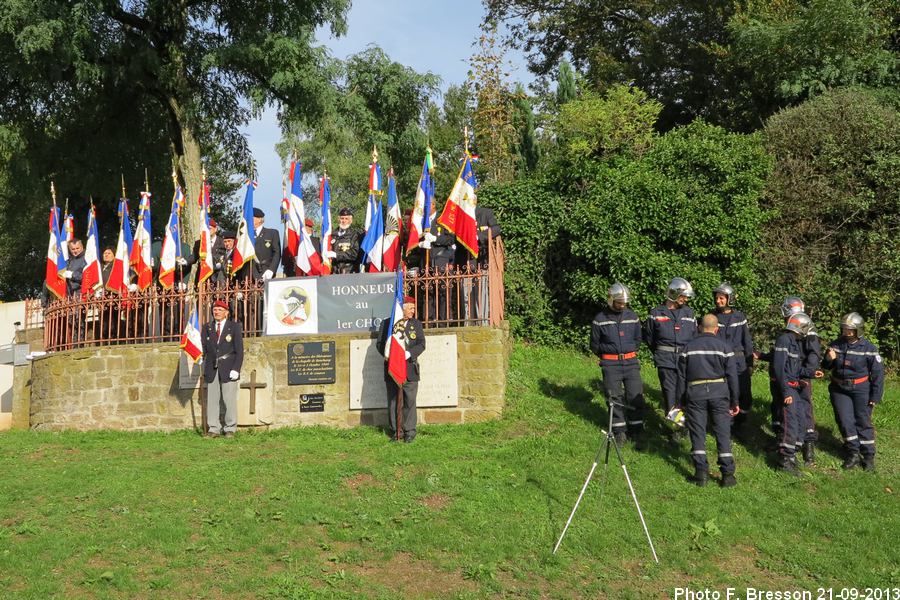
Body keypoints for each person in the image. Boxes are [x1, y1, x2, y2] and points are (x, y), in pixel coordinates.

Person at [676, 314, 740, 487]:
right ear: (717, 329)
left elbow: (681, 377)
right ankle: (727, 475)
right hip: (720, 394)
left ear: (699, 327)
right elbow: (732, 377)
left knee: (698, 433)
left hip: (695, 394)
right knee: (722, 433)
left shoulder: (688, 348)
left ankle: (701, 474)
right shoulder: (725, 347)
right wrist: (735, 401)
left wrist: (680, 402)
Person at [822, 312, 883, 471]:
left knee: (862, 421)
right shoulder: (836, 345)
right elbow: (826, 366)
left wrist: (875, 396)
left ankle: (868, 456)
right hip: (839, 389)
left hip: (861, 390)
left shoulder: (869, 349)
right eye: (844, 328)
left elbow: (877, 373)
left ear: (858, 330)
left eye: (849, 329)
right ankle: (853, 453)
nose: (846, 331)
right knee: (844, 420)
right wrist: (828, 358)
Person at [590, 283, 645, 447]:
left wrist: (628, 351)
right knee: (614, 397)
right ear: (611, 300)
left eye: (624, 303)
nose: (622, 306)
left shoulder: (633, 317)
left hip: (631, 362)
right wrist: (609, 355)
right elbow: (594, 345)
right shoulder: (600, 319)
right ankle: (619, 431)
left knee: (635, 394)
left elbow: (638, 340)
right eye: (619, 303)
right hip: (610, 364)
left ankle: (637, 429)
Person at [644, 277, 697, 436]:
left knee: (686, 393)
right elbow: (650, 338)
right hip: (665, 360)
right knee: (670, 394)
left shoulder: (689, 313)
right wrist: (662, 352)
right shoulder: (656, 313)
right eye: (683, 296)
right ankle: (676, 427)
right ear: (673, 293)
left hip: (685, 360)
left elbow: (694, 336)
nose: (685, 299)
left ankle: (686, 425)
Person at [376, 296, 426, 443]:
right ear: (402, 308)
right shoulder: (387, 324)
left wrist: (408, 353)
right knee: (393, 401)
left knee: (410, 400)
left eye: (414, 308)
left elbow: (422, 344)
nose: (413, 311)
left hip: (410, 368)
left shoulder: (416, 324)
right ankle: (396, 431)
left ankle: (409, 431)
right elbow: (380, 344)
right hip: (393, 368)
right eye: (410, 308)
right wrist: (392, 356)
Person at [770, 312, 812, 476]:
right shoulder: (784, 340)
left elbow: (794, 369)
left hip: (795, 388)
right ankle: (784, 460)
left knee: (801, 422)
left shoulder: (795, 342)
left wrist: (810, 373)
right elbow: (779, 368)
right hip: (787, 389)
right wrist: (786, 391)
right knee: (790, 424)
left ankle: (792, 455)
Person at [712, 284, 754, 428]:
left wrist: (749, 363)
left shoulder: (739, 317)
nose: (718, 301)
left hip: (739, 361)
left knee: (744, 392)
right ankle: (726, 424)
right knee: (726, 392)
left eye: (721, 298)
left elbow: (747, 341)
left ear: (729, 299)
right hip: (721, 361)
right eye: (717, 298)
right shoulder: (712, 317)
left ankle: (741, 423)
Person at [202, 300, 243, 438]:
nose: (217, 312)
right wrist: (199, 356)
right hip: (212, 367)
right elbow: (204, 347)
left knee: (229, 399)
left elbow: (239, 350)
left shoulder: (234, 327)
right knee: (212, 399)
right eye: (215, 310)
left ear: (226, 313)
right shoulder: (207, 327)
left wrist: (236, 368)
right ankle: (213, 428)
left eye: (220, 310)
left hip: (229, 366)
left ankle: (230, 428)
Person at [252, 208, 281, 281]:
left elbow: (277, 253)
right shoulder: (246, 235)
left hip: (264, 272)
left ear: (259, 219)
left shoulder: (272, 233)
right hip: (248, 275)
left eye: (252, 217)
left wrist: (271, 270)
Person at [332, 207, 362, 274]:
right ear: (338, 219)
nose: (344, 221)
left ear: (350, 220)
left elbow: (354, 254)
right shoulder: (332, 234)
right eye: (342, 218)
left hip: (350, 272)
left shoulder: (355, 235)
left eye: (346, 219)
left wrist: (336, 255)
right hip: (334, 272)